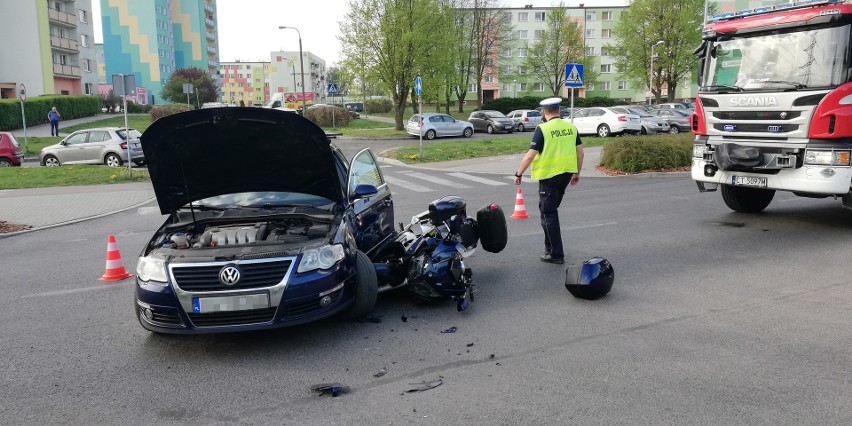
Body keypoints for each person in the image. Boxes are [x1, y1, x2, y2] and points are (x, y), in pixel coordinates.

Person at [513, 97, 583, 264]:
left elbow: (531, 155)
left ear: (544, 112)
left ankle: (556, 254)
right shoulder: (571, 127)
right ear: (558, 110)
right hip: (566, 175)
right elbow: (580, 153)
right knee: (548, 211)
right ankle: (549, 247)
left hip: (549, 177)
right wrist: (577, 173)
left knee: (548, 213)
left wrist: (518, 173)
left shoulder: (542, 129)